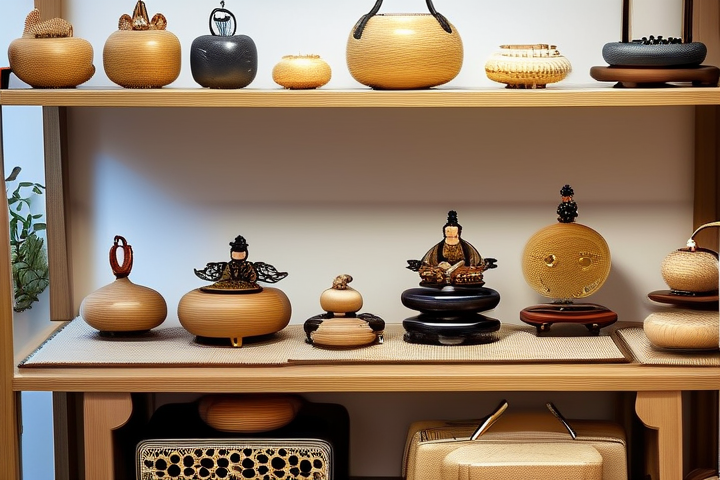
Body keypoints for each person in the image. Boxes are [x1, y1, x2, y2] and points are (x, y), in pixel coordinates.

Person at [407, 211, 496, 287]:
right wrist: (421, 266)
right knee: (433, 274)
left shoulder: (465, 247)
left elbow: (475, 261)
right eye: (448, 231)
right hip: (443, 271)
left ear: (458, 233)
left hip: (461, 270)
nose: (450, 233)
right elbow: (428, 261)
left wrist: (482, 264)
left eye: (453, 231)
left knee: (470, 274)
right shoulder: (439, 248)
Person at [195, 235, 287, 292]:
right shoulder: (228, 266)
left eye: (241, 253)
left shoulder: (248, 266)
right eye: (236, 253)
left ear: (245, 253)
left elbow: (252, 277)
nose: (238, 255)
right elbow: (225, 276)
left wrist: (249, 282)